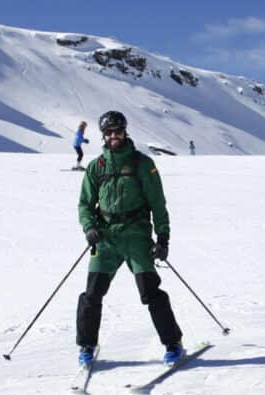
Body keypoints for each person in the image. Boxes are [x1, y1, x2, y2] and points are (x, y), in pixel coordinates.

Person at [76, 110, 184, 366]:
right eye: (109, 132)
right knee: (92, 294)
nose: (114, 136)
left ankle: (173, 343)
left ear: (125, 131)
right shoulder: (96, 166)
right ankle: (87, 346)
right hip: (105, 239)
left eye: (118, 131)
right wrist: (89, 227)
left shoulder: (142, 164)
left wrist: (163, 237)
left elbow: (157, 203)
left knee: (150, 292)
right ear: (104, 135)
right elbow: (84, 204)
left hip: (136, 236)